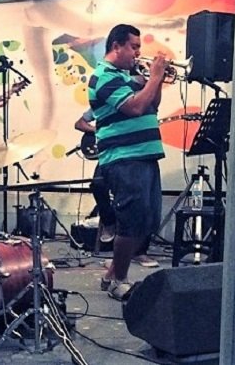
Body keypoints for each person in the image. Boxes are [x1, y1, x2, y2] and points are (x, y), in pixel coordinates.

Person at [87, 24, 168, 301]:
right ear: (116, 46)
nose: (137, 53)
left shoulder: (127, 77)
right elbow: (135, 107)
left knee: (146, 220)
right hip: (124, 157)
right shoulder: (103, 76)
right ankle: (118, 279)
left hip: (143, 154)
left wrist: (156, 81)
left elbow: (152, 104)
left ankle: (111, 274)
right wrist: (154, 77)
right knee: (131, 221)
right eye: (134, 47)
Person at [76, 115, 159, 268]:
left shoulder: (141, 108)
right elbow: (79, 123)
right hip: (111, 153)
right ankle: (109, 221)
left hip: (136, 153)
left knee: (143, 199)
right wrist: (99, 130)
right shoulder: (106, 102)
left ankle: (139, 252)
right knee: (98, 184)